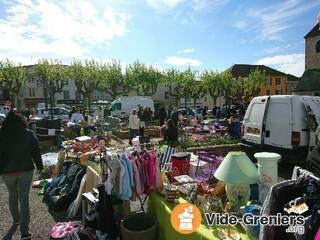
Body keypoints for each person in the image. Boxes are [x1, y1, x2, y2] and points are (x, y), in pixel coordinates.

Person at [0, 111, 43, 240]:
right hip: (26, 170)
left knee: (12, 195)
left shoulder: (1, 133)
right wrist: (40, 166)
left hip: (8, 172)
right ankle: (25, 231)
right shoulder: (28, 134)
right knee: (24, 199)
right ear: (21, 121)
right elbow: (35, 151)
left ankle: (16, 220)